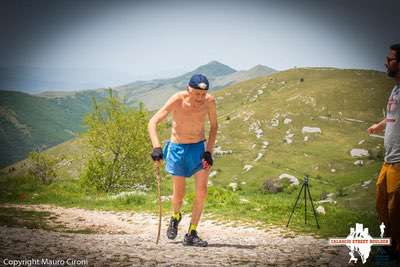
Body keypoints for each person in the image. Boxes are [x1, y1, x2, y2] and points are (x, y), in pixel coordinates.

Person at [148, 74, 218, 247]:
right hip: (178, 148)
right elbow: (152, 122)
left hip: (198, 149)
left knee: (202, 192)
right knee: (179, 195)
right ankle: (176, 216)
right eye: (197, 94)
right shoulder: (177, 99)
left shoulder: (210, 101)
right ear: (189, 89)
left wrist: (208, 151)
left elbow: (214, 126)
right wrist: (157, 147)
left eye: (203, 94)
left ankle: (191, 233)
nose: (200, 98)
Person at [368, 43, 400, 258]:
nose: (386, 62)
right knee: (381, 204)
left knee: (395, 210)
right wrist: (379, 126)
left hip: (399, 161)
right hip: (388, 161)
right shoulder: (395, 89)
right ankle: (389, 246)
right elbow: (392, 116)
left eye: (390, 59)